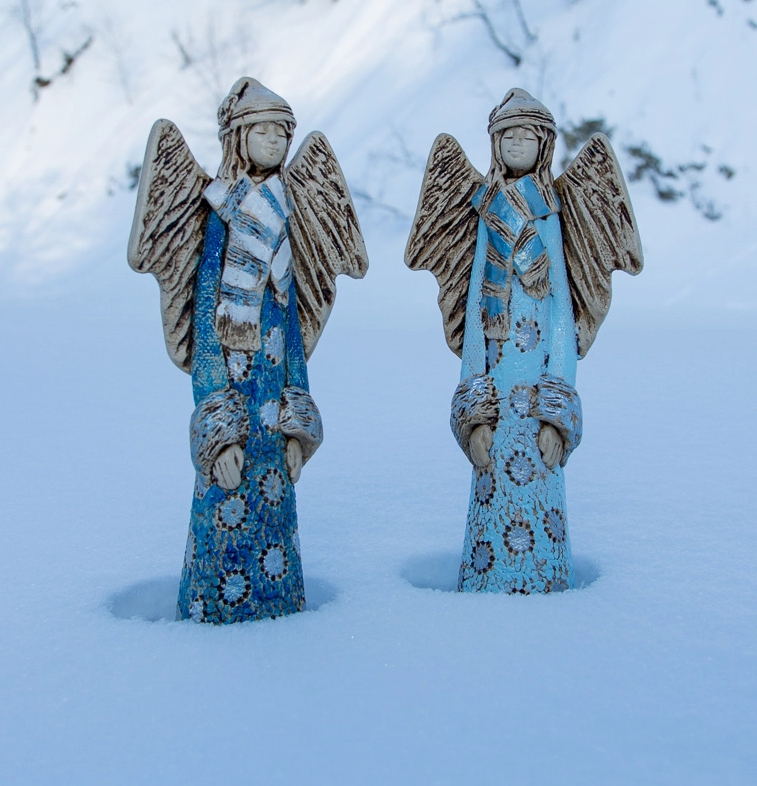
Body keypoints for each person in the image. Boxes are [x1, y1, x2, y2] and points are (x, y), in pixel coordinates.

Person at [129, 78, 367, 622]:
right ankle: (215, 605)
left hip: (274, 395)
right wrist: (218, 426)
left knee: (275, 509)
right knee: (224, 502)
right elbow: (207, 325)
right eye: (261, 131)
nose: (274, 142)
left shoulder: (285, 212)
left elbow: (292, 323)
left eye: (282, 133)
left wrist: (297, 422)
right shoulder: (222, 212)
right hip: (233, 397)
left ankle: (278, 603)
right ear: (237, 138)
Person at [405, 88, 643, 593]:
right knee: (490, 479)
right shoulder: (487, 211)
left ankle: (544, 573)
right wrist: (473, 411)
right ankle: (487, 575)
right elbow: (476, 309)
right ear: (494, 144)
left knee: (540, 481)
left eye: (526, 136)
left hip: (537, 390)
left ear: (544, 145)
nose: (516, 144)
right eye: (507, 135)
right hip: (495, 385)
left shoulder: (550, 214)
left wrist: (557, 409)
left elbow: (560, 314)